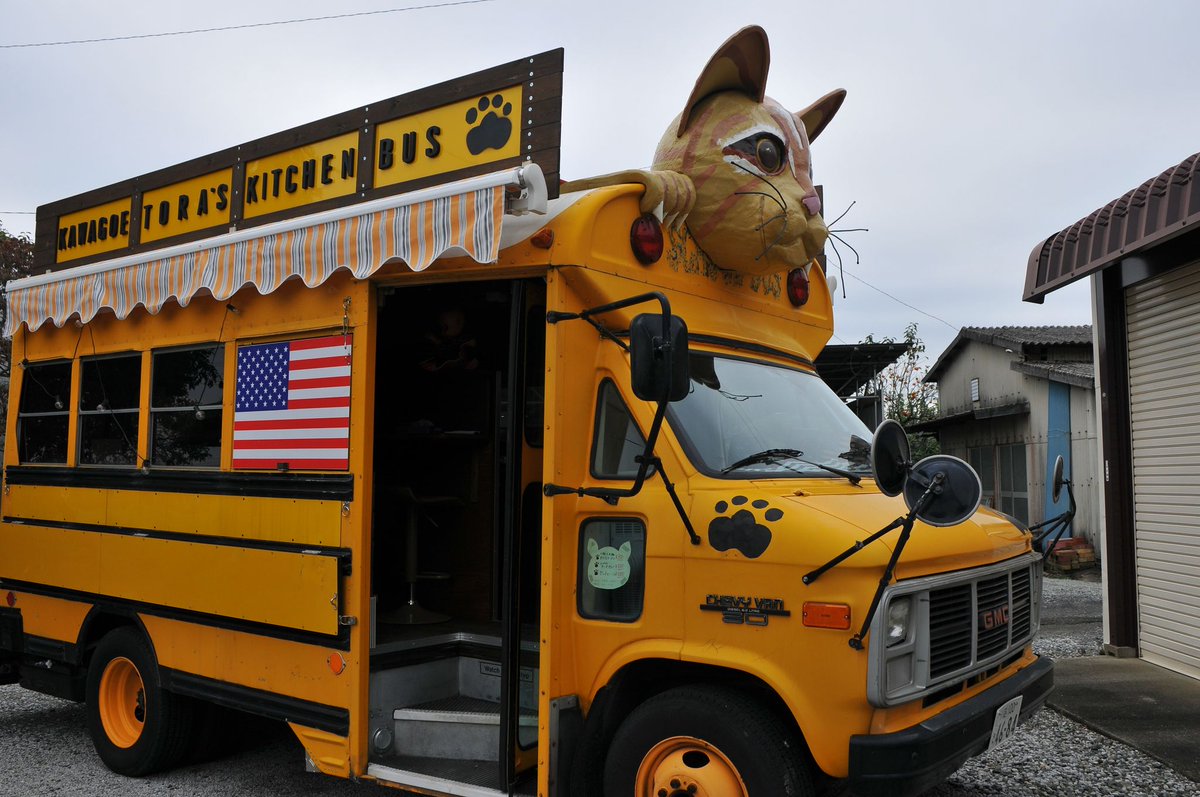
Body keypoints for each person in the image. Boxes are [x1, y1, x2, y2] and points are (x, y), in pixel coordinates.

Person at [419, 307, 479, 372]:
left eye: (445, 328)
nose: (443, 333)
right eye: (443, 327)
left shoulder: (466, 338)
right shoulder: (451, 338)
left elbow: (452, 352)